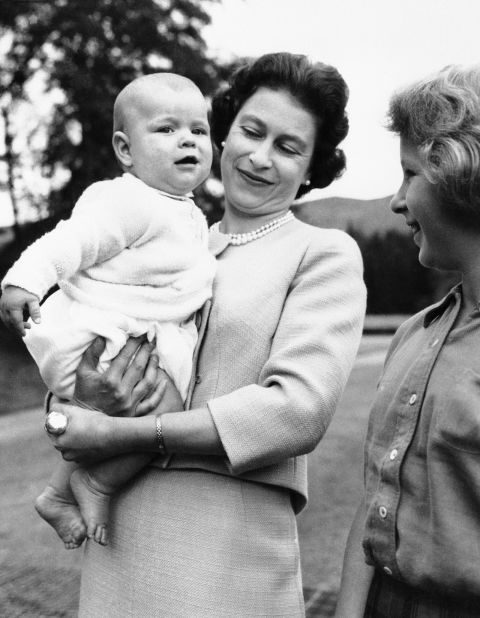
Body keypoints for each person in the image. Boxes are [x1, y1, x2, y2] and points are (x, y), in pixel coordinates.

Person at [45, 52, 366, 617]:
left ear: (312, 167)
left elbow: (298, 410)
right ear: (224, 134)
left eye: (288, 147)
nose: (260, 157)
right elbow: (77, 335)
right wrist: (81, 398)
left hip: (228, 534)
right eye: (251, 131)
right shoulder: (167, 238)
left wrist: (125, 436)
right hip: (118, 530)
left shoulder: (322, 253)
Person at [0, 72, 216, 548]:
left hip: (132, 336)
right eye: (166, 129)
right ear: (125, 149)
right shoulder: (127, 201)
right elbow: (70, 241)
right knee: (167, 410)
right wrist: (24, 280)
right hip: (102, 333)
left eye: (199, 131)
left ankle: (58, 494)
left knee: (153, 412)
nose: (188, 140)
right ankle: (92, 483)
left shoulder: (185, 211)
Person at [335, 64, 480, 618]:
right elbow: (373, 504)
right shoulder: (412, 334)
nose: (397, 202)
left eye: (409, 175)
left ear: (460, 174)